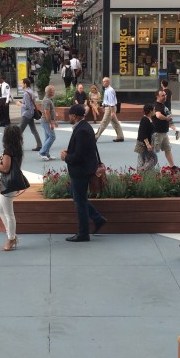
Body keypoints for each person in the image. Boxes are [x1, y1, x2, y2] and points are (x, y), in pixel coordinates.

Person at [61, 104, 108, 242]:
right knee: (78, 198)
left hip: (80, 171)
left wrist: (66, 157)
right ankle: (98, 219)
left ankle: (83, 233)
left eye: (70, 115)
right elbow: (83, 150)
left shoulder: (81, 130)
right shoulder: (85, 127)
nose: (68, 117)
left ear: (75, 116)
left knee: (79, 202)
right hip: (84, 169)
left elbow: (79, 156)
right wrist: (70, 152)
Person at [0, 126, 24, 251]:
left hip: (9, 185)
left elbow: (5, 168)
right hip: (11, 183)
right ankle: (11, 235)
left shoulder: (8, 151)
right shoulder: (18, 150)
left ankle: (11, 238)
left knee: (8, 213)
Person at [152, 89, 180, 170]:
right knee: (153, 152)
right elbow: (158, 115)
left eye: (165, 95)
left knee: (168, 149)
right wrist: (166, 118)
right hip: (157, 133)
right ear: (157, 96)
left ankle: (173, 167)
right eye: (163, 95)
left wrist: (175, 129)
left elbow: (170, 119)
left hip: (164, 133)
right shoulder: (156, 105)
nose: (165, 97)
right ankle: (147, 169)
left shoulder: (164, 106)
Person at [94, 77, 124, 142]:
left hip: (110, 108)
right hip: (108, 107)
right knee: (115, 122)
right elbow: (106, 100)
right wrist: (103, 106)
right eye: (102, 81)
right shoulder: (107, 89)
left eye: (104, 81)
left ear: (108, 82)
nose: (103, 83)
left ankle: (96, 136)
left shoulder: (110, 90)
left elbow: (111, 102)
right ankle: (120, 136)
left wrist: (112, 111)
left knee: (104, 122)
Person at [17, 78, 42, 151]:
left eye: (22, 83)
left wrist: (20, 104)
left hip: (26, 114)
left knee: (19, 131)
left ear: (25, 84)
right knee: (33, 129)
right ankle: (39, 145)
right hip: (31, 113)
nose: (22, 85)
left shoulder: (26, 93)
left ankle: (16, 147)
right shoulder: (31, 92)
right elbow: (31, 104)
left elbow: (27, 106)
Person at [134, 104, 157, 171]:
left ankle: (141, 174)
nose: (155, 111)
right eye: (154, 110)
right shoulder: (145, 119)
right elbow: (143, 132)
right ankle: (141, 171)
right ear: (150, 111)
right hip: (143, 143)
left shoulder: (149, 118)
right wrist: (147, 144)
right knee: (153, 158)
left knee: (142, 159)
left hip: (147, 142)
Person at [39, 85, 58, 161]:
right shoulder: (47, 100)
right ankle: (42, 152)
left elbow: (49, 112)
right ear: (50, 92)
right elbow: (47, 112)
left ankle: (46, 153)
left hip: (45, 121)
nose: (54, 91)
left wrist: (54, 121)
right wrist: (51, 123)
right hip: (46, 121)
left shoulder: (48, 99)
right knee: (52, 137)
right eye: (53, 90)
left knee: (47, 137)